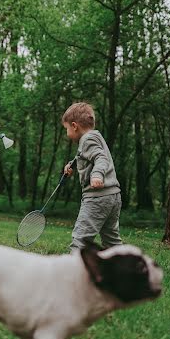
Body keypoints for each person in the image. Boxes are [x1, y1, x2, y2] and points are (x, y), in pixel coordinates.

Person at [62, 102, 122, 251]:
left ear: (74, 126)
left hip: (97, 197)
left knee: (81, 239)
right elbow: (84, 156)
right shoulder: (94, 137)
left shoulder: (87, 139)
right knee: (111, 240)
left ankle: (74, 271)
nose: (67, 133)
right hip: (113, 196)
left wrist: (97, 175)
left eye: (66, 129)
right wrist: (72, 165)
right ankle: (122, 269)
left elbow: (101, 158)